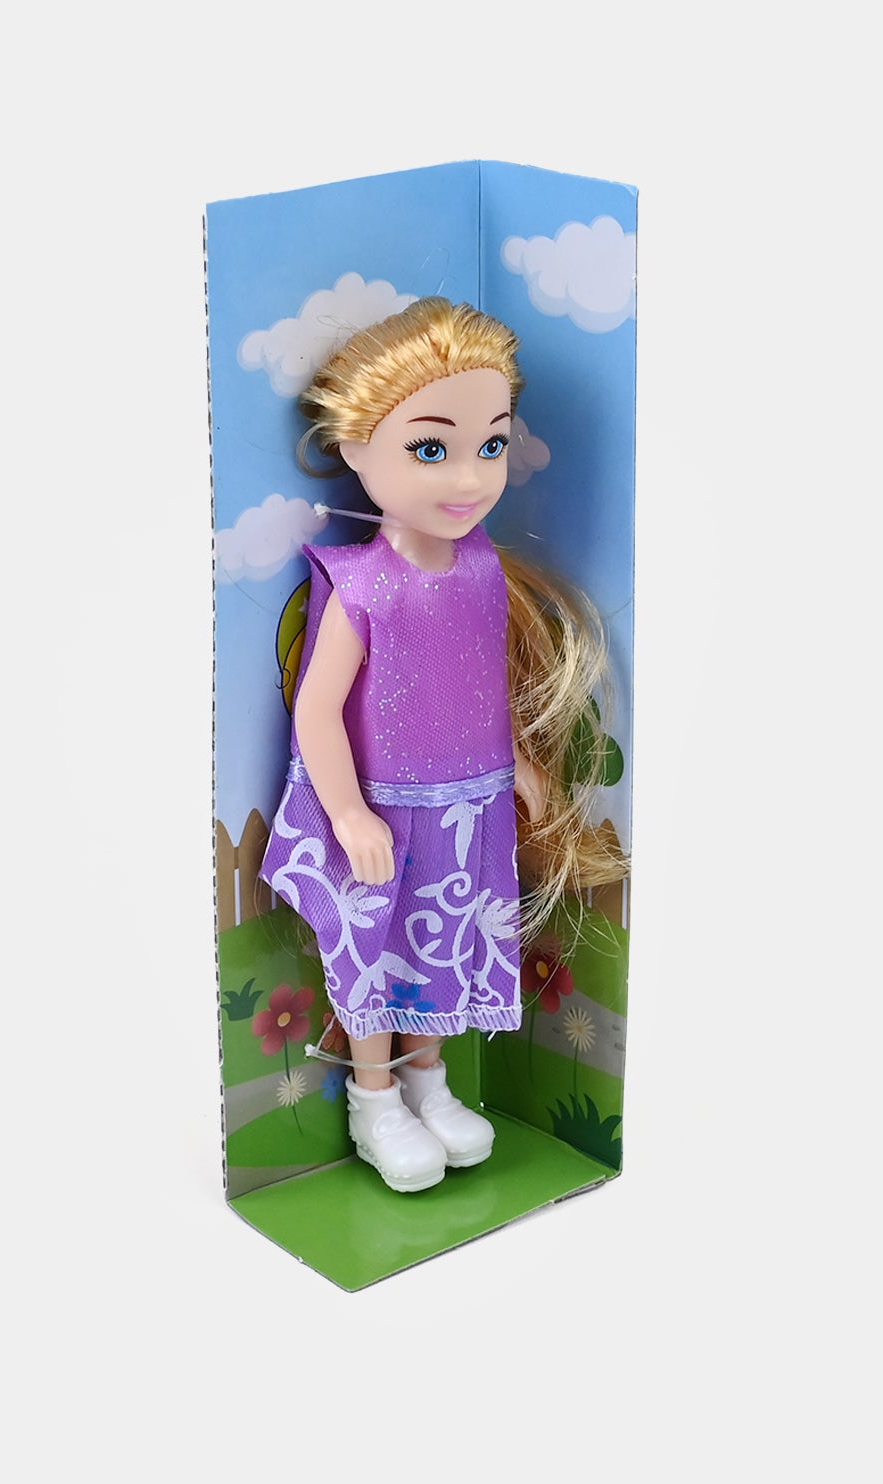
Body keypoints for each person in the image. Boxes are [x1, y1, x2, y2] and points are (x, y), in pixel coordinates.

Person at [261, 297, 626, 1192]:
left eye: (491, 446)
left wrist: (522, 764)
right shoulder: (362, 584)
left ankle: (429, 1077)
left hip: (471, 803)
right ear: (356, 449)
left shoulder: (482, 570)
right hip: (386, 809)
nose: (470, 477)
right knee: (377, 951)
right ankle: (374, 1097)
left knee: (446, 945)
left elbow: (481, 682)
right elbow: (318, 712)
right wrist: (348, 811)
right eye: (432, 449)